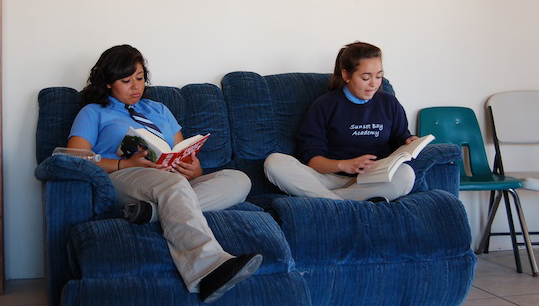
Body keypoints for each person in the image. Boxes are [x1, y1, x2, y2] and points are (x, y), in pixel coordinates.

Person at [66, 44, 262, 303]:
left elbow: (180, 151)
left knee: (239, 180)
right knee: (172, 185)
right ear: (108, 83)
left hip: (171, 181)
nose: (136, 87)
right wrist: (125, 164)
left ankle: (152, 213)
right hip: (124, 177)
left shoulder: (158, 109)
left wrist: (194, 169)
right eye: (126, 81)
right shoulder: (93, 112)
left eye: (140, 78)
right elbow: (74, 158)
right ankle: (208, 267)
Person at [264, 41, 417, 202]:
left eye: (379, 76)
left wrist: (408, 141)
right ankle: (346, 203)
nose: (374, 84)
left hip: (370, 179)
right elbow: (313, 160)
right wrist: (345, 165)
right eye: (365, 77)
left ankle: (329, 202)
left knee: (406, 175)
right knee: (274, 163)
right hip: (328, 178)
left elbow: (400, 136)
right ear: (346, 75)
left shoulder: (389, 103)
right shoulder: (325, 105)